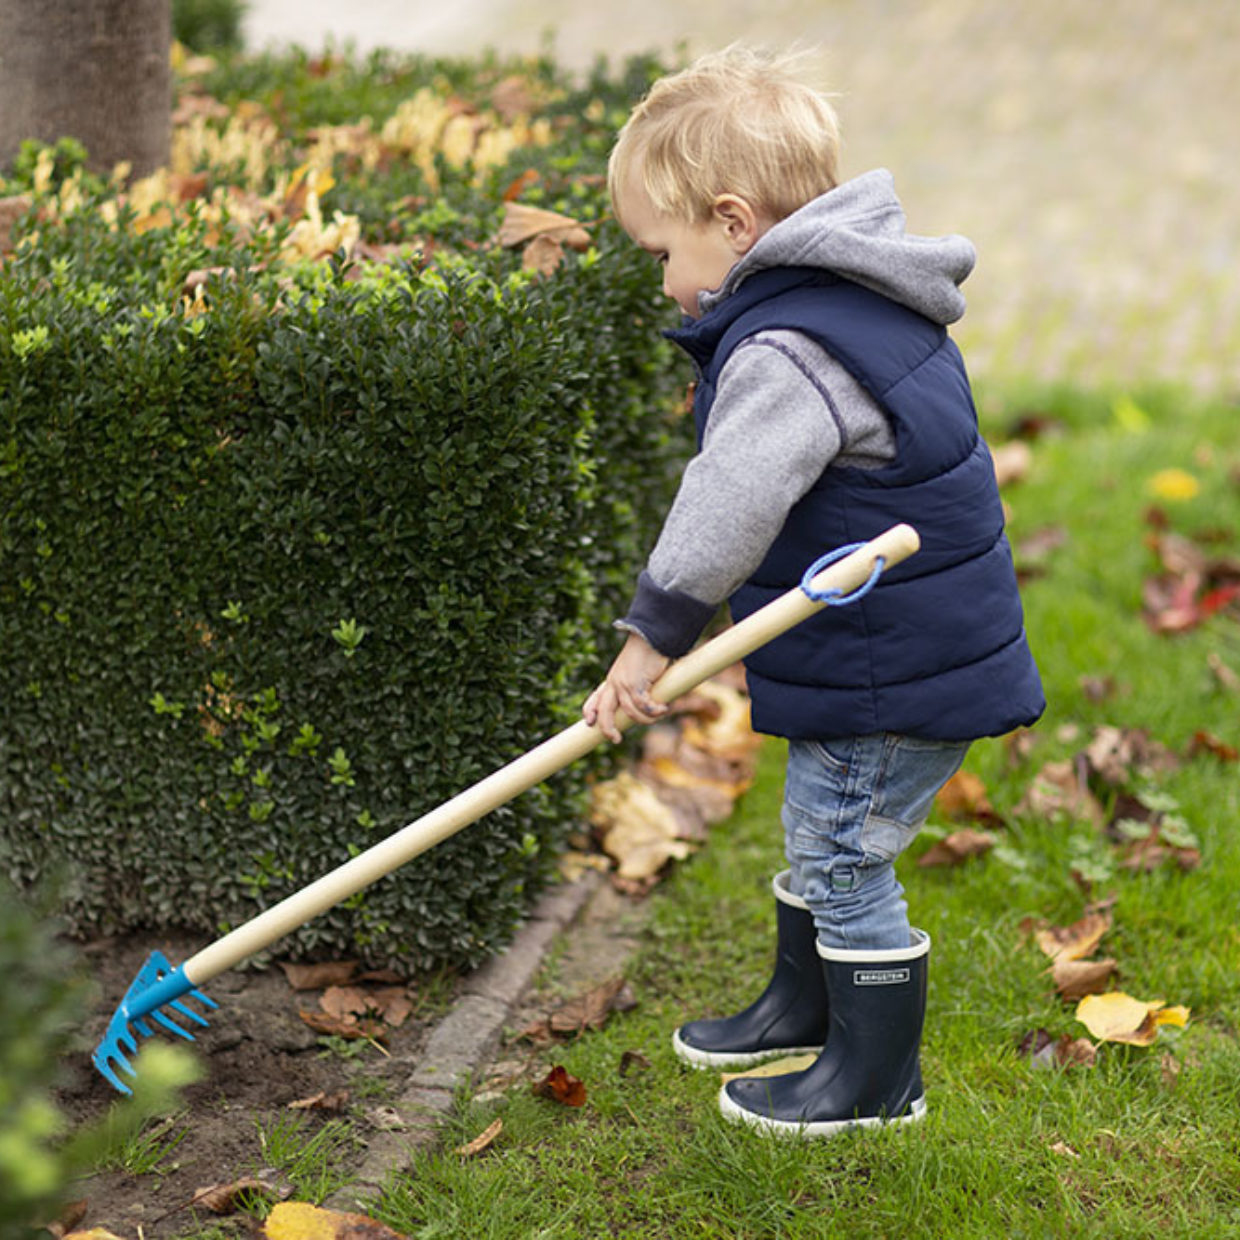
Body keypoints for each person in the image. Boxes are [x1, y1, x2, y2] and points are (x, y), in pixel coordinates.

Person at [582, 46, 1045, 1138]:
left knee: (841, 856)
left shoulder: (788, 346)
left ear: (734, 224)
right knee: (822, 836)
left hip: (892, 663)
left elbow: (726, 502)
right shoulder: (863, 303)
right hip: (905, 638)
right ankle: (803, 1007)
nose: (661, 280)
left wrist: (650, 635)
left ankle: (874, 1082)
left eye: (663, 249)